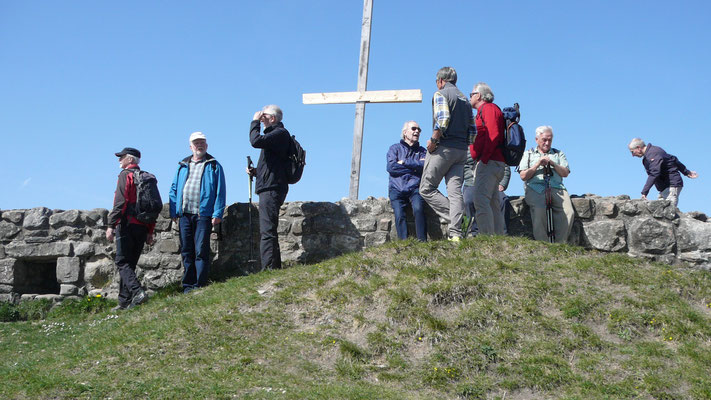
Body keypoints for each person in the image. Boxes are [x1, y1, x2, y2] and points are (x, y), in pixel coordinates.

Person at [420, 66, 475, 241]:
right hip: (461, 151)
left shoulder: (441, 94)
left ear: (441, 81)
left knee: (426, 188)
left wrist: (434, 142)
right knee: (455, 192)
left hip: (444, 148)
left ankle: (456, 220)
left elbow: (442, 119)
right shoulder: (465, 99)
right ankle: (456, 235)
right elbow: (472, 131)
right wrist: (464, 145)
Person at [169, 132, 226, 293]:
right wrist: (174, 210)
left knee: (201, 249)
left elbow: (220, 191)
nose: (199, 145)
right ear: (191, 146)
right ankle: (188, 285)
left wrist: (217, 213)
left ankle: (200, 284)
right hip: (185, 214)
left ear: (206, 146)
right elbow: (173, 189)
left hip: (203, 214)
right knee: (187, 250)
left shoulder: (214, 165)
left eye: (202, 142)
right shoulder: (182, 165)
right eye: (196, 143)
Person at [106, 147, 154, 310]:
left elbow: (120, 202)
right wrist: (150, 230)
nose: (119, 160)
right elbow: (151, 207)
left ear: (130, 160)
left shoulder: (125, 175)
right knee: (130, 264)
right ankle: (124, 302)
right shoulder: (146, 178)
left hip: (127, 224)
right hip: (142, 226)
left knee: (121, 261)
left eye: (122, 157)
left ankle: (138, 291)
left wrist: (111, 225)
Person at [247, 105, 291, 270]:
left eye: (264, 115)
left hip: (272, 188)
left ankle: (269, 269)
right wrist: (256, 172)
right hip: (271, 185)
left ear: (272, 118)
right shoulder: (276, 136)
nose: (261, 117)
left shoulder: (279, 133)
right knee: (268, 229)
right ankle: (273, 267)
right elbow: (273, 166)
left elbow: (255, 141)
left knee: (267, 230)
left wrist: (254, 122)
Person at [518, 126, 574, 243]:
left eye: (550, 140)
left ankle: (560, 244)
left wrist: (553, 163)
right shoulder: (528, 154)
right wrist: (537, 164)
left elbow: (565, 173)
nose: (547, 143)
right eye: (544, 140)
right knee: (539, 210)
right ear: (537, 139)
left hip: (557, 187)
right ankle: (543, 244)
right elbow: (523, 176)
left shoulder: (558, 154)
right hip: (535, 187)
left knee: (569, 212)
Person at [468, 82, 507, 235]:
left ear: (478, 95)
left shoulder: (489, 109)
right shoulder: (488, 110)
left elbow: (493, 134)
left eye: (471, 94)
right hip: (494, 161)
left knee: (480, 200)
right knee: (492, 202)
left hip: (489, 162)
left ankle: (487, 238)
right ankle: (497, 238)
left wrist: (483, 159)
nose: (470, 97)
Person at [387, 120, 428, 241]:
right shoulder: (394, 149)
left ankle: (422, 242)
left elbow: (425, 167)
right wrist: (414, 168)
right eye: (414, 129)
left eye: (419, 130)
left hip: (415, 188)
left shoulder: (423, 151)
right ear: (405, 132)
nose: (417, 131)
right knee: (399, 215)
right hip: (396, 188)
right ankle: (404, 243)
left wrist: (404, 163)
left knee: (418, 209)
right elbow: (391, 168)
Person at [628, 138, 698, 207]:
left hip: (671, 185)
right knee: (659, 211)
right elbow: (673, 159)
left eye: (632, 152)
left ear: (638, 148)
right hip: (665, 187)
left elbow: (654, 173)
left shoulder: (653, 154)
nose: (633, 155)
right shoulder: (653, 152)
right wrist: (687, 172)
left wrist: (644, 192)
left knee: (668, 211)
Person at [463, 162, 511, 236]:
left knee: (503, 200)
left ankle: (502, 234)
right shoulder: (467, 151)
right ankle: (474, 232)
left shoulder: (497, 150)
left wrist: (502, 184)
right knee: (469, 201)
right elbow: (465, 165)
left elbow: (506, 168)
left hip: (493, 183)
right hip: (472, 184)